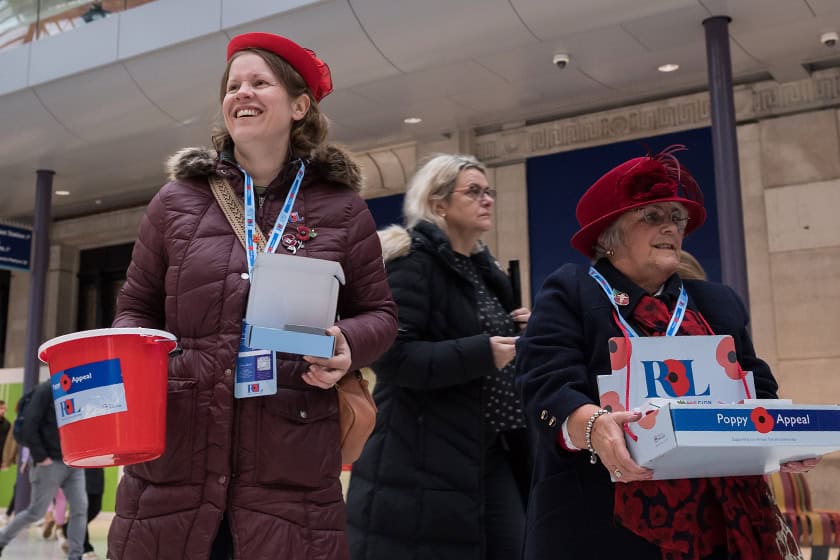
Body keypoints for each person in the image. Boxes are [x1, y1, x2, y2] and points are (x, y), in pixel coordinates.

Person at [107, 32, 397, 560]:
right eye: (233, 84)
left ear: (299, 106)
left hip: (292, 465)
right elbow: (136, 307)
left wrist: (345, 344)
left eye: (260, 82)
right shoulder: (175, 203)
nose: (243, 92)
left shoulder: (342, 210)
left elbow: (379, 314)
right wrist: (147, 369)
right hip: (176, 458)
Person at [515, 146, 818, 560]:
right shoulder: (570, 292)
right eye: (652, 217)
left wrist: (779, 440)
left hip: (718, 522)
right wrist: (592, 425)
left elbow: (757, 385)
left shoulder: (717, 302)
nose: (672, 228)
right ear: (610, 235)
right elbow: (545, 385)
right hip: (603, 522)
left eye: (677, 218)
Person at [346, 154, 533, 560]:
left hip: (489, 448)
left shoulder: (484, 272)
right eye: (473, 191)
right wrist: (481, 352)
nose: (486, 200)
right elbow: (391, 355)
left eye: (489, 192)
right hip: (421, 455)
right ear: (438, 203)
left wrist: (519, 330)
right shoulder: (413, 263)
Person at [0, 380, 88, 559]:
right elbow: (29, 425)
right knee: (36, 512)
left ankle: (75, 555)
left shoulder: (76, 388)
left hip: (73, 462)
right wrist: (42, 457)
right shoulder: (46, 390)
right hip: (49, 463)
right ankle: (1, 540)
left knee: (80, 508)